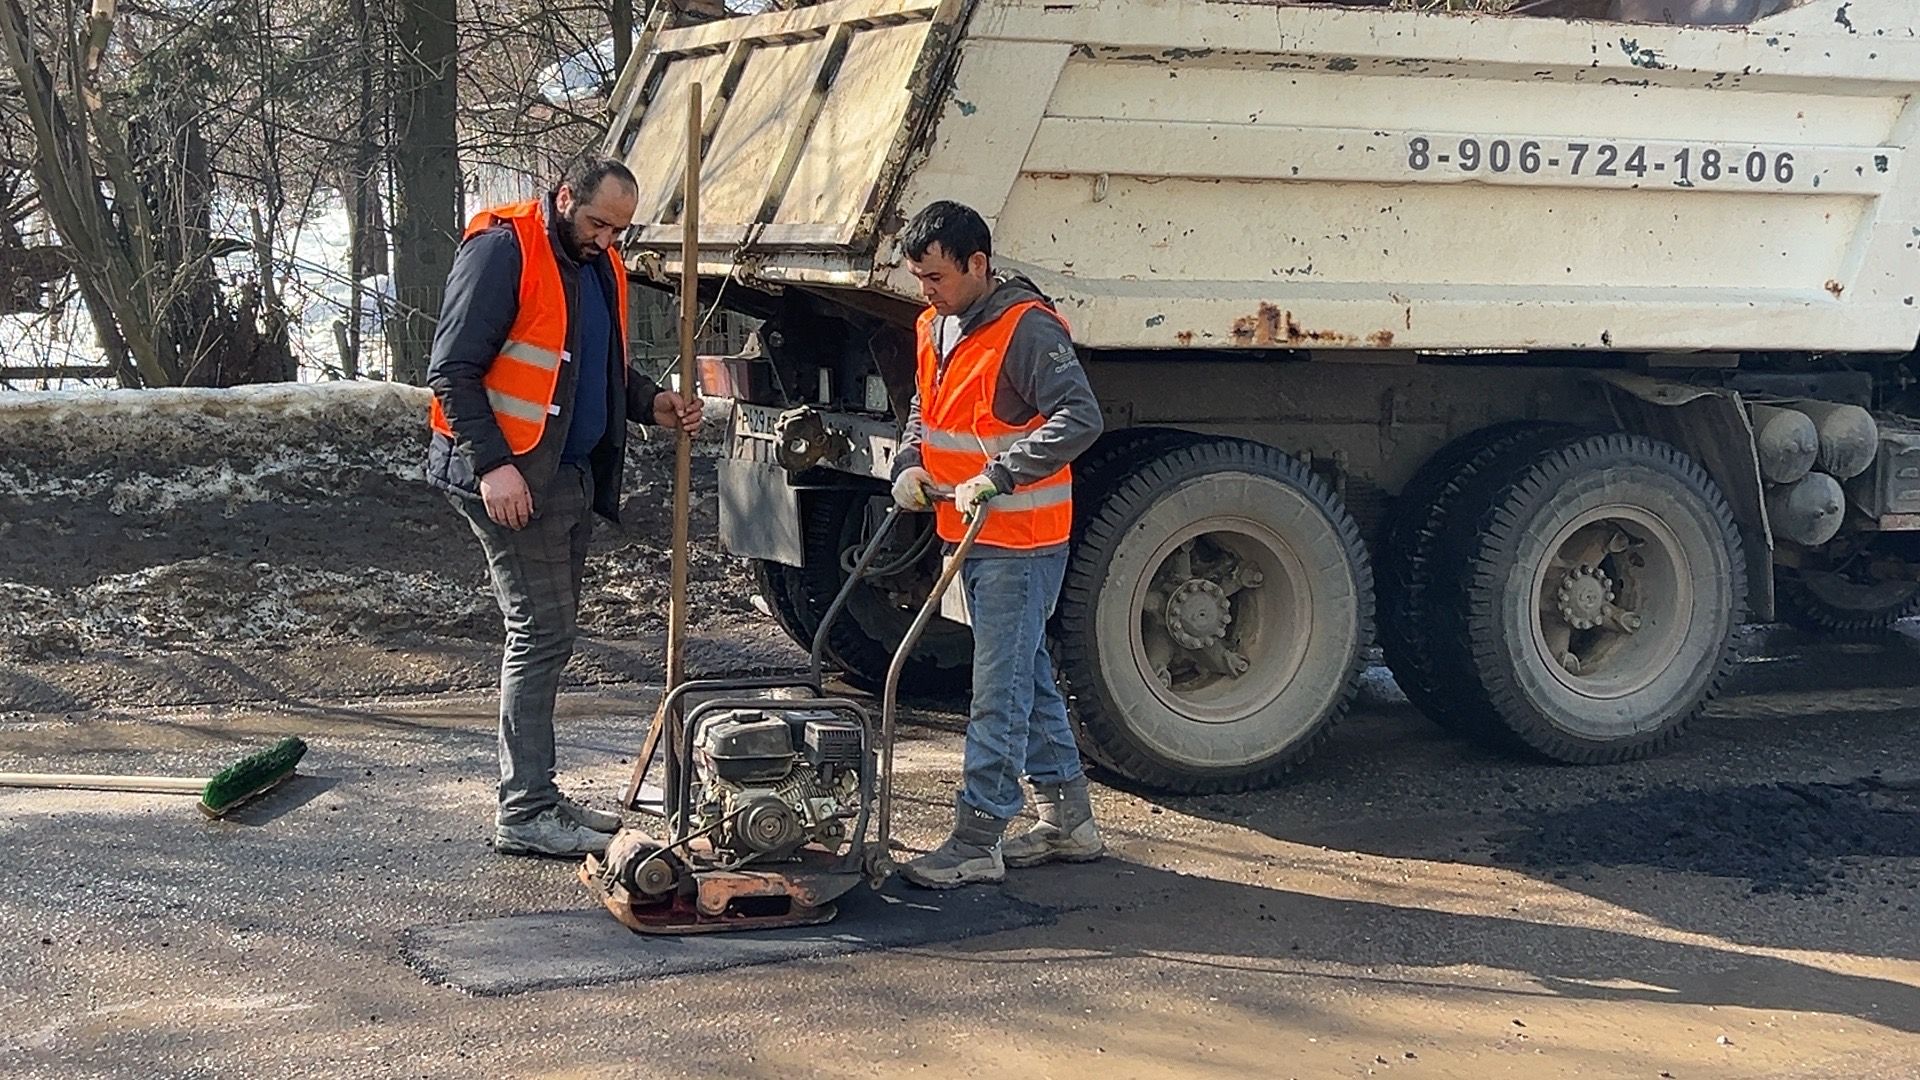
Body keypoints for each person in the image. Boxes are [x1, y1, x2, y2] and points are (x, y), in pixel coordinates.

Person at [425, 155, 702, 858]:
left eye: (619, 230)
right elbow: (452, 370)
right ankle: (524, 809)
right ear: (563, 196)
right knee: (541, 633)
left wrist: (651, 404)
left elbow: (596, 363)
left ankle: (538, 796)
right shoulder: (501, 251)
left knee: (550, 634)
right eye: (598, 223)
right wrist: (494, 466)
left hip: (564, 475)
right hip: (514, 479)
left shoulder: (599, 265)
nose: (607, 239)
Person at [889, 200, 1106, 888]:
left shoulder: (1027, 329)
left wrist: (1000, 475)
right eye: (920, 277)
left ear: (977, 264)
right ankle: (1068, 820)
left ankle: (979, 835)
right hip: (970, 533)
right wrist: (907, 466)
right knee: (1022, 675)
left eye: (936, 276)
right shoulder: (936, 325)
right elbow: (926, 410)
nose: (926, 289)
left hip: (1022, 538)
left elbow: (1081, 417)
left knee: (997, 691)